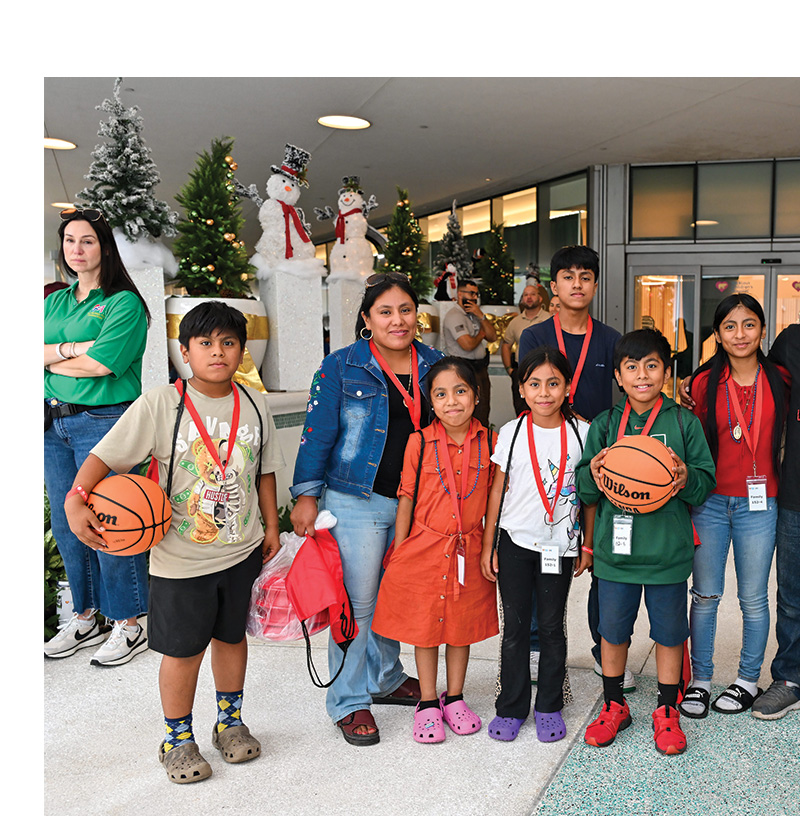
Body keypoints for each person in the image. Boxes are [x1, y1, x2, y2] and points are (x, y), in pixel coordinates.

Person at [65, 301, 285, 784]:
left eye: (228, 343)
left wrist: (270, 527)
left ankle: (229, 722)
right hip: (181, 559)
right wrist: (76, 498)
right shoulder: (161, 403)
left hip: (240, 548)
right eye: (205, 343)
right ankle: (177, 738)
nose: (217, 352)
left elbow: (264, 471)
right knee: (183, 651)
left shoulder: (254, 402)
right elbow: (105, 456)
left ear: (242, 351)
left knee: (231, 639)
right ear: (184, 352)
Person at [290, 273, 444, 746]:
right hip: (355, 499)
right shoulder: (341, 366)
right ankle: (348, 701)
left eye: (405, 310)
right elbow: (317, 433)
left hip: (418, 503)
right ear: (367, 319)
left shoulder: (436, 364)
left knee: (395, 595)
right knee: (356, 606)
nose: (398, 320)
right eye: (385, 311)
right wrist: (306, 495)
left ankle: (387, 678)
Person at [576, 328, 715, 755]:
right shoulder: (604, 424)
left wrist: (684, 476)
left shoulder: (683, 422)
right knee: (612, 634)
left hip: (667, 554)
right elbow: (582, 488)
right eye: (632, 367)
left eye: (652, 366)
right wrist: (594, 473)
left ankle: (667, 710)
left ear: (666, 373)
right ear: (618, 376)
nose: (642, 375)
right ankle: (614, 705)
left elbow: (705, 482)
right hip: (617, 556)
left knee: (671, 635)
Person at [44, 207, 151, 667]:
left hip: (104, 420)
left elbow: (104, 365)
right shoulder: (55, 301)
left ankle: (132, 621)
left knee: (111, 518)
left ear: (104, 246)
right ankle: (88, 616)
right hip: (53, 422)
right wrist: (75, 349)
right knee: (70, 525)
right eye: (70, 241)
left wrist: (49, 357)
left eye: (87, 240)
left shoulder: (124, 302)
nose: (77, 250)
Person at [371, 357, 498, 743]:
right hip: (424, 548)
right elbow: (406, 497)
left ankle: (454, 697)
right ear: (431, 401)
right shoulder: (419, 443)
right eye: (441, 394)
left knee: (461, 628)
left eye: (460, 391)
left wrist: (488, 548)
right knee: (424, 629)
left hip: (470, 548)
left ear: (475, 396)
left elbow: (495, 498)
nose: (451, 401)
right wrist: (402, 547)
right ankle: (428, 702)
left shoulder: (492, 442)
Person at [517, 246, 627, 689]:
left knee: (599, 556)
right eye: (567, 276)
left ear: (595, 285)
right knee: (540, 548)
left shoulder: (611, 339)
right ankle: (534, 644)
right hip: (548, 456)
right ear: (554, 285)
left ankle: (605, 649)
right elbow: (526, 397)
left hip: (598, 459)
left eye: (585, 276)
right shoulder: (534, 336)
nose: (577, 284)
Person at [675, 296, 788, 718]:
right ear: (718, 334)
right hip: (710, 502)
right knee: (705, 595)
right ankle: (700, 680)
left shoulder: (781, 378)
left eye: (749, 325)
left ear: (762, 330)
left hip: (761, 504)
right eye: (730, 326)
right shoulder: (704, 383)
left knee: (754, 598)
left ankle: (745, 680)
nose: (740, 334)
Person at [481, 346, 594, 743]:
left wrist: (588, 545)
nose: (544, 392)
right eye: (534, 384)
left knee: (551, 626)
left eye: (553, 383)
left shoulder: (583, 432)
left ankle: (548, 705)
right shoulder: (511, 433)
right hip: (514, 541)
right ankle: (511, 706)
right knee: (514, 628)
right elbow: (498, 491)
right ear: (522, 390)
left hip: (560, 545)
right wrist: (487, 544)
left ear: (567, 388)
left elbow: (588, 494)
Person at [753, 322, 800, 719]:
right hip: (795, 495)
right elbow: (752, 374)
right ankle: (789, 677)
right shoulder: (793, 341)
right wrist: (697, 379)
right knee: (792, 597)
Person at [441, 279, 497, 427]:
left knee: (483, 409)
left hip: (480, 368)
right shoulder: (454, 315)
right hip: (462, 368)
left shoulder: (475, 314)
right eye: (471, 293)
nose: (474, 298)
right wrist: (481, 335)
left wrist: (482, 317)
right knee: (469, 411)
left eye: (476, 294)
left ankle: (483, 444)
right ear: (460, 294)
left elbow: (493, 337)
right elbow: (467, 345)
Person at [501, 284, 552, 415]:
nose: (529, 297)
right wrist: (509, 369)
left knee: (545, 410)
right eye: (525, 295)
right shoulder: (516, 321)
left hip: (546, 371)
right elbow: (506, 345)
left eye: (532, 294)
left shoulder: (550, 319)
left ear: (540, 298)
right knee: (522, 410)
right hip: (521, 371)